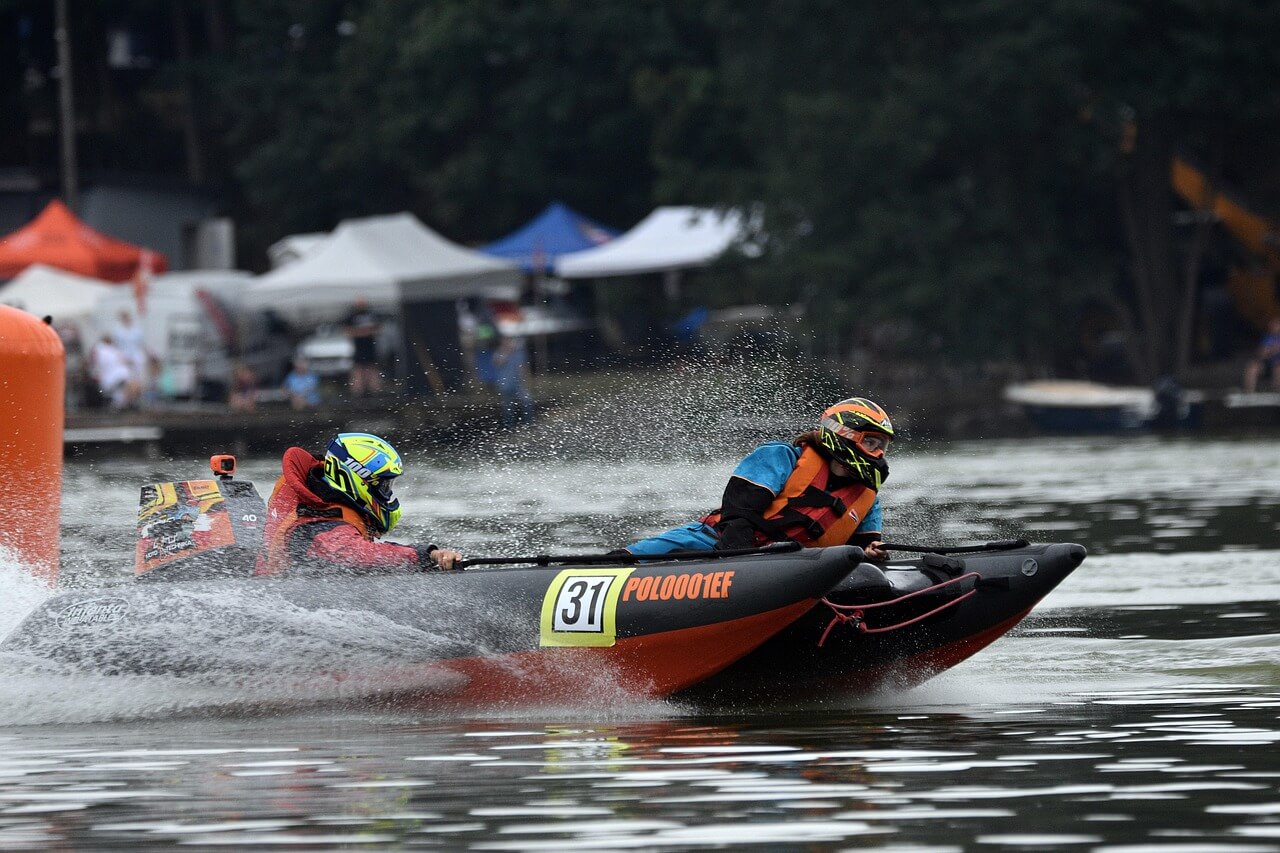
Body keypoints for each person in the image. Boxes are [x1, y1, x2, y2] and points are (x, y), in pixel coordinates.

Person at [620, 397, 895, 560]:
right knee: (621, 563)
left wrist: (871, 553)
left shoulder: (868, 497)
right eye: (871, 442)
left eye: (883, 445)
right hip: (713, 541)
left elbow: (861, 551)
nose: (879, 453)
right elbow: (738, 517)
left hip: (798, 567)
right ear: (843, 434)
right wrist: (736, 567)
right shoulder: (783, 457)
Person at [255, 432, 463, 575]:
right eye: (384, 486)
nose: (387, 494)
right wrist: (423, 555)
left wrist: (428, 556)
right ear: (357, 479)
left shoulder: (323, 504)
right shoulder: (318, 523)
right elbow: (357, 554)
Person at [342, 296, 383, 396]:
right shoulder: (351, 316)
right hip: (358, 348)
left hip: (370, 348)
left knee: (372, 369)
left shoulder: (372, 314)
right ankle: (357, 393)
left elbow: (379, 327)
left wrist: (367, 332)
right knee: (358, 370)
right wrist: (362, 332)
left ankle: (375, 392)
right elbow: (346, 330)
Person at [1243, 316, 1280, 393]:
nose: (1274, 326)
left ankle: (1276, 392)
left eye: (1276, 324)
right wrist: (1272, 349)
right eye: (1273, 324)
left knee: (1278, 368)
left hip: (1278, 364)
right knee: (1252, 367)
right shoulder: (1266, 338)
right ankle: (1249, 392)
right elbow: (1261, 353)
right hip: (1267, 364)